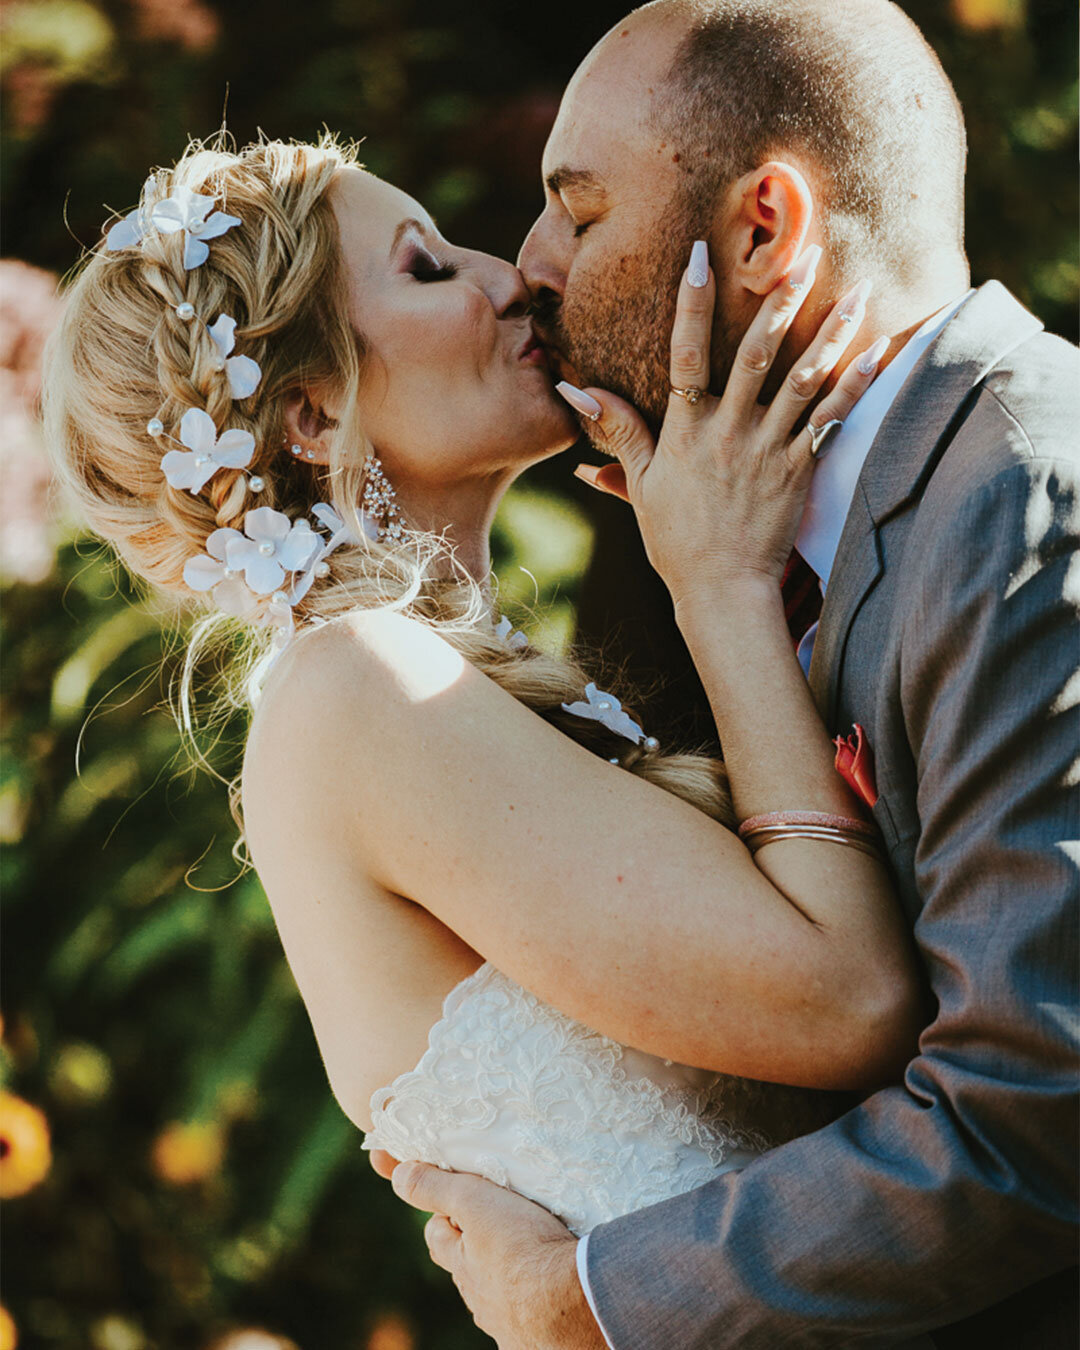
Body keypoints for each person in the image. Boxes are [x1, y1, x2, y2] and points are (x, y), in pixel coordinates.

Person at [44, 131, 920, 1317]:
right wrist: (719, 584)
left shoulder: (432, 685)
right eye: (425, 268)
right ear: (310, 411)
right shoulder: (360, 689)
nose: (507, 275)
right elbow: (850, 1000)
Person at [377, 1, 1080, 1346]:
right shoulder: (715, 534)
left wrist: (580, 1298)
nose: (529, 267)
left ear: (764, 229)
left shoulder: (1024, 503)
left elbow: (1039, 1113)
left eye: (579, 215)